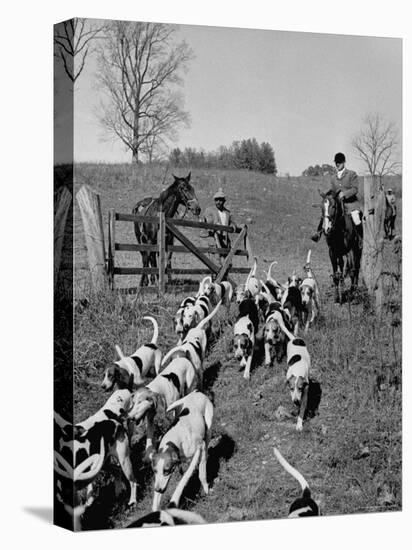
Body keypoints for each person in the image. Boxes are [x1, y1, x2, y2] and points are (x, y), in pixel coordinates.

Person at [311, 152, 363, 243]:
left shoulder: (351, 174)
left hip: (350, 204)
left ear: (344, 162)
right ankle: (318, 233)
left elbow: (355, 189)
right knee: (326, 214)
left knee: (356, 218)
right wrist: (325, 194)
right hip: (338, 204)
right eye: (336, 162)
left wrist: (345, 194)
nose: (337, 164)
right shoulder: (333, 178)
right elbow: (332, 189)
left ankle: (361, 239)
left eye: (339, 162)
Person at [203, 188, 237, 266]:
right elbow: (209, 222)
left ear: (224, 201)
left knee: (227, 264)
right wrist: (215, 224)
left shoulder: (227, 212)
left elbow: (233, 222)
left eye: (220, 200)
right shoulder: (209, 210)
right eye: (216, 200)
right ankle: (215, 278)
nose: (218, 202)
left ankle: (225, 278)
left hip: (225, 242)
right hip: (214, 241)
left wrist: (232, 225)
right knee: (215, 264)